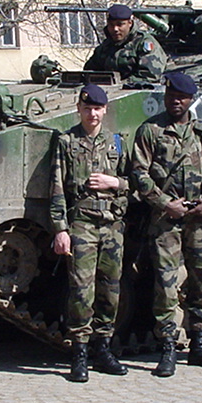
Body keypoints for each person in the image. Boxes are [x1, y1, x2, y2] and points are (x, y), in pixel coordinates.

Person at [130, 72, 202, 377]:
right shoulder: (151, 131)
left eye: (182, 98)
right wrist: (164, 203)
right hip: (166, 220)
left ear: (191, 100)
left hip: (200, 219)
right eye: (171, 96)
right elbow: (139, 174)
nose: (176, 102)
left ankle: (199, 343)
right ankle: (168, 346)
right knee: (166, 284)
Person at [49, 83, 130, 382]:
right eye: (87, 108)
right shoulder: (67, 142)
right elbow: (57, 187)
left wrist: (115, 183)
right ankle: (79, 352)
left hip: (112, 223)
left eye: (97, 108)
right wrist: (61, 229)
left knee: (110, 288)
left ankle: (104, 348)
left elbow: (133, 181)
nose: (92, 114)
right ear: (79, 109)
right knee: (81, 290)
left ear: (105, 110)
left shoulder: (117, 142)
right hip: (81, 223)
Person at [83, 3, 166, 83]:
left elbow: (150, 75)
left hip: (138, 90)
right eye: (111, 25)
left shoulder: (143, 43)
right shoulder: (106, 46)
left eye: (120, 24)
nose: (115, 29)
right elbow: (90, 70)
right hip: (109, 90)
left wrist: (120, 84)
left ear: (130, 23)